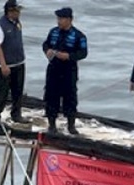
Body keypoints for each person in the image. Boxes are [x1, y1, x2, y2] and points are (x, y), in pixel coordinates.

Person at [42, 7, 88, 135]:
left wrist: (69, 56)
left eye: (61, 19)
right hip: (53, 69)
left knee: (70, 97)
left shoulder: (79, 36)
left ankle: (71, 125)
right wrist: (47, 51)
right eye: (58, 19)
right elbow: (45, 44)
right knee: (51, 97)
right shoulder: (53, 32)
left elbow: (83, 53)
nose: (59, 21)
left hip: (69, 70)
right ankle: (52, 125)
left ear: (69, 20)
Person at [0, 0, 28, 124]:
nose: (19, 13)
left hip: (18, 63)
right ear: (10, 11)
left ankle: (16, 114)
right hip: (5, 65)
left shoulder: (17, 23)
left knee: (18, 91)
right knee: (2, 92)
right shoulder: (0, 26)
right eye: (16, 11)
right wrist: (3, 65)